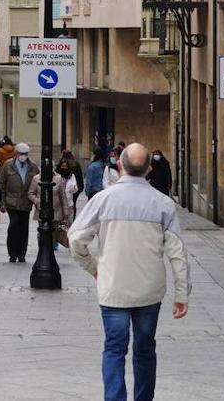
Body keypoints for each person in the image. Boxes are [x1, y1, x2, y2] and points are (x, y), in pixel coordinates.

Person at [69, 143, 190, 401]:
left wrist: (94, 267)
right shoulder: (163, 204)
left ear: (119, 165)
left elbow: (76, 240)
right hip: (149, 290)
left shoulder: (102, 200)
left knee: (114, 348)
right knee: (145, 350)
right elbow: (177, 253)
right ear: (148, 169)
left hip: (113, 289)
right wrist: (182, 293)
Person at [0, 142, 38, 263]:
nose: (23, 156)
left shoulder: (33, 167)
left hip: (26, 202)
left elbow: (37, 183)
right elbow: (2, 184)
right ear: (16, 153)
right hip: (12, 201)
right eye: (21, 154)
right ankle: (12, 253)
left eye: (25, 154)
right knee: (14, 225)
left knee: (23, 228)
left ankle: (22, 253)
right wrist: (2, 202)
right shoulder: (8, 165)